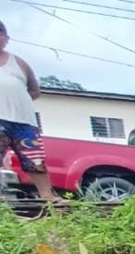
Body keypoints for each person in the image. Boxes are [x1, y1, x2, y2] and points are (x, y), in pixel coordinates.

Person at [0, 20, 61, 204]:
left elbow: (35, 91)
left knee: (35, 161)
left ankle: (48, 197)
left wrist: (18, 102)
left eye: (0, 35)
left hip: (24, 122)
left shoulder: (19, 62)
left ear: (7, 38)